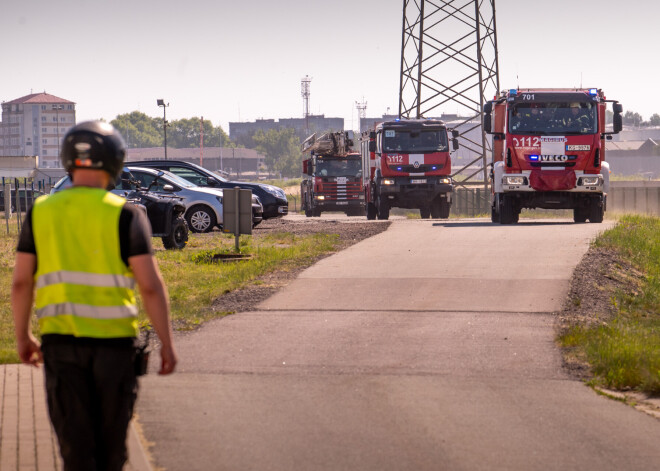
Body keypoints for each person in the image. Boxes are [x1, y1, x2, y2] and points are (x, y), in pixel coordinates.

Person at [11, 121, 177, 471]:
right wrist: (167, 343)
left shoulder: (40, 212)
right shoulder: (126, 215)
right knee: (111, 452)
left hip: (61, 346)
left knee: (76, 450)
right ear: (115, 162)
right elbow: (150, 285)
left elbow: (21, 283)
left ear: (69, 161)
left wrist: (23, 336)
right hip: (114, 349)